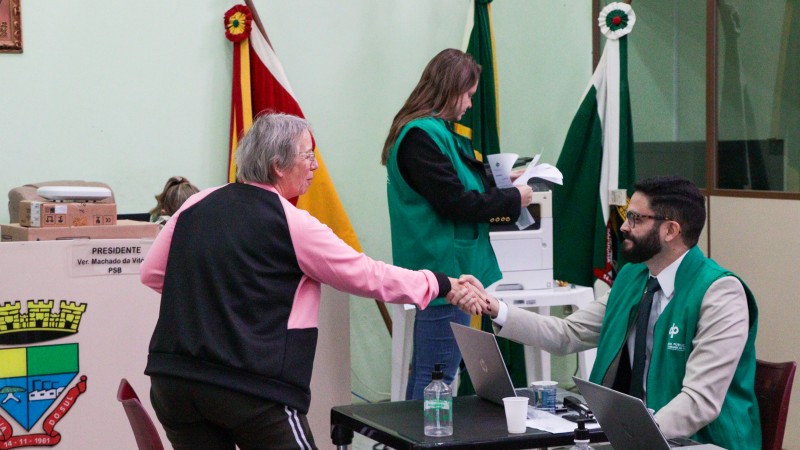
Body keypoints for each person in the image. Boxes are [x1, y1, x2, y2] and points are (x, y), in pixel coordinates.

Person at [140, 113, 478, 450]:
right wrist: (440, 283)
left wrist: (211, 299)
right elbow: (367, 275)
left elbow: (152, 273)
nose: (315, 165)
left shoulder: (197, 204)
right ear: (278, 166)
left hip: (173, 383)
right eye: (308, 155)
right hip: (251, 389)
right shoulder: (291, 223)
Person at [451, 176, 760, 450]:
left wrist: (630, 436)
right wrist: (495, 308)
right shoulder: (633, 277)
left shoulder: (720, 293)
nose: (624, 226)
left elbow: (699, 402)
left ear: (670, 230)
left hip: (698, 441)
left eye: (636, 219)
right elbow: (568, 334)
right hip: (636, 434)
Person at [380, 48, 534, 400]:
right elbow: (455, 201)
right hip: (445, 272)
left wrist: (502, 181)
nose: (468, 104)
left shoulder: (434, 133)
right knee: (436, 377)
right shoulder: (421, 136)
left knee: (434, 372)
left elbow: (456, 181)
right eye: (467, 95)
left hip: (448, 269)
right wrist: (513, 200)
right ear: (451, 89)